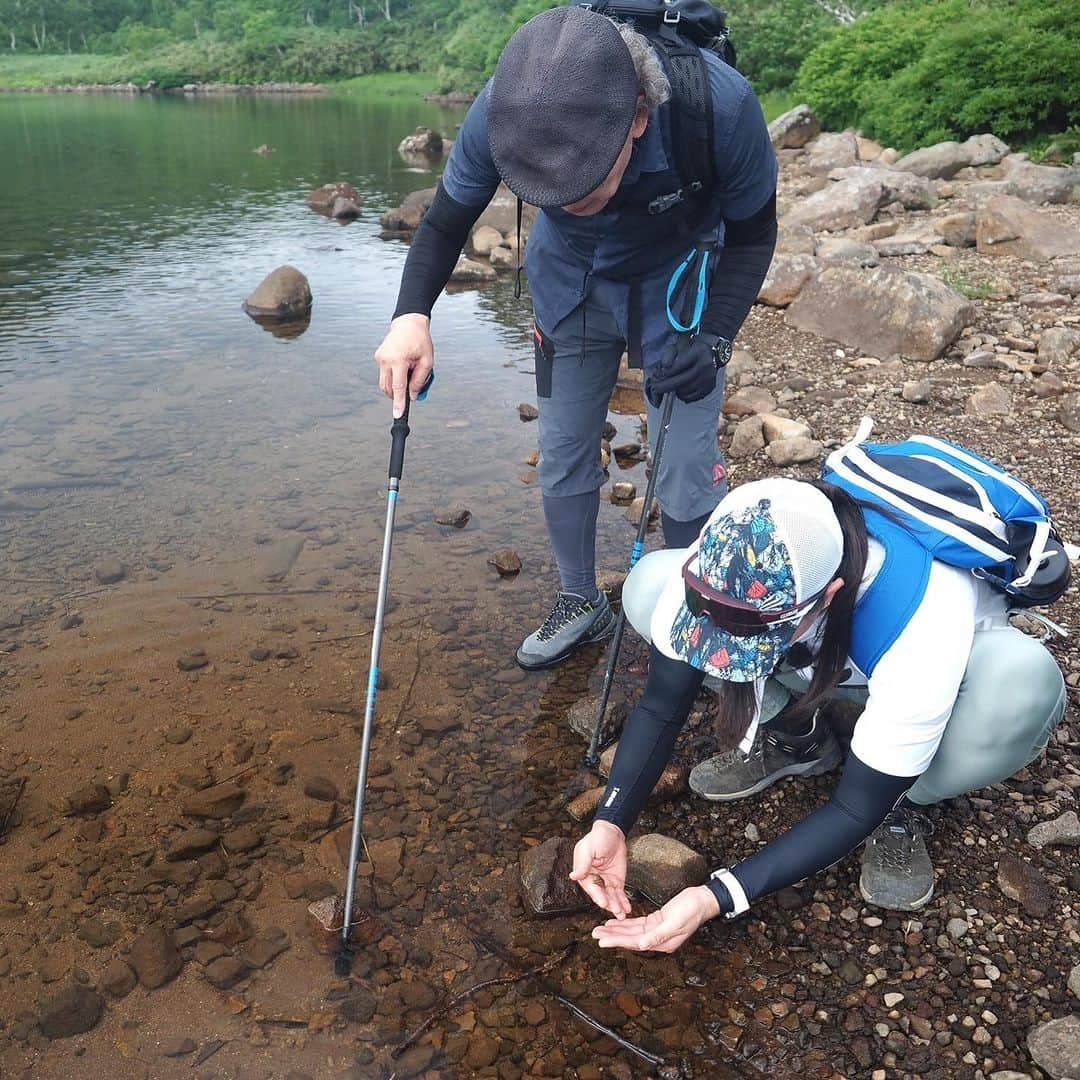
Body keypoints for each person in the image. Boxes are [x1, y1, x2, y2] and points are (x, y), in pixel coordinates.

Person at [373, 5, 778, 670]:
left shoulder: (722, 107)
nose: (564, 199)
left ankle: (695, 615)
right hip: (567, 285)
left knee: (682, 471)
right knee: (561, 448)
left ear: (639, 118)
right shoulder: (503, 106)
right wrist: (410, 316)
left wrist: (714, 339)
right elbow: (447, 220)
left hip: (678, 287)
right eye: (545, 188)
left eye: (583, 182)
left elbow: (755, 233)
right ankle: (578, 599)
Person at [569, 476, 1067, 952]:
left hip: (938, 668)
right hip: (828, 655)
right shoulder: (734, 541)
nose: (721, 651)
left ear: (828, 595)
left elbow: (852, 809)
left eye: (749, 639)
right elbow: (660, 707)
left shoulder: (923, 619)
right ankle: (798, 736)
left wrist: (714, 897)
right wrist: (611, 822)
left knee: (1020, 683)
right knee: (647, 582)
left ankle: (909, 798)